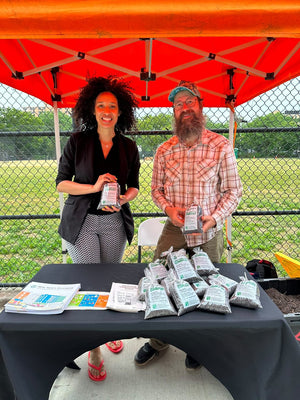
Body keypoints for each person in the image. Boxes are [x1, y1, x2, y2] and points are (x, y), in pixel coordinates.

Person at [134, 80, 242, 370]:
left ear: (200, 105)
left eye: (189, 102)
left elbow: (234, 191)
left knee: (208, 288)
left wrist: (215, 218)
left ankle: (199, 344)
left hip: (208, 230)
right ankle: (159, 341)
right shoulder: (164, 150)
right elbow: (156, 189)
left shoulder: (220, 145)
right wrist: (168, 208)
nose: (184, 108)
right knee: (160, 282)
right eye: (178, 104)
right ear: (174, 111)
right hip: (174, 229)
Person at [56, 76, 140, 381]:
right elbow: (61, 184)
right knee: (90, 286)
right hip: (83, 222)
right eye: (101, 105)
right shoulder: (77, 141)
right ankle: (94, 347)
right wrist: (93, 186)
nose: (107, 111)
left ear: (121, 112)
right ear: (92, 110)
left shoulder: (129, 147)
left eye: (112, 106)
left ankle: (107, 332)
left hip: (114, 222)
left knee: (109, 282)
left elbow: (134, 188)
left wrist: (122, 197)